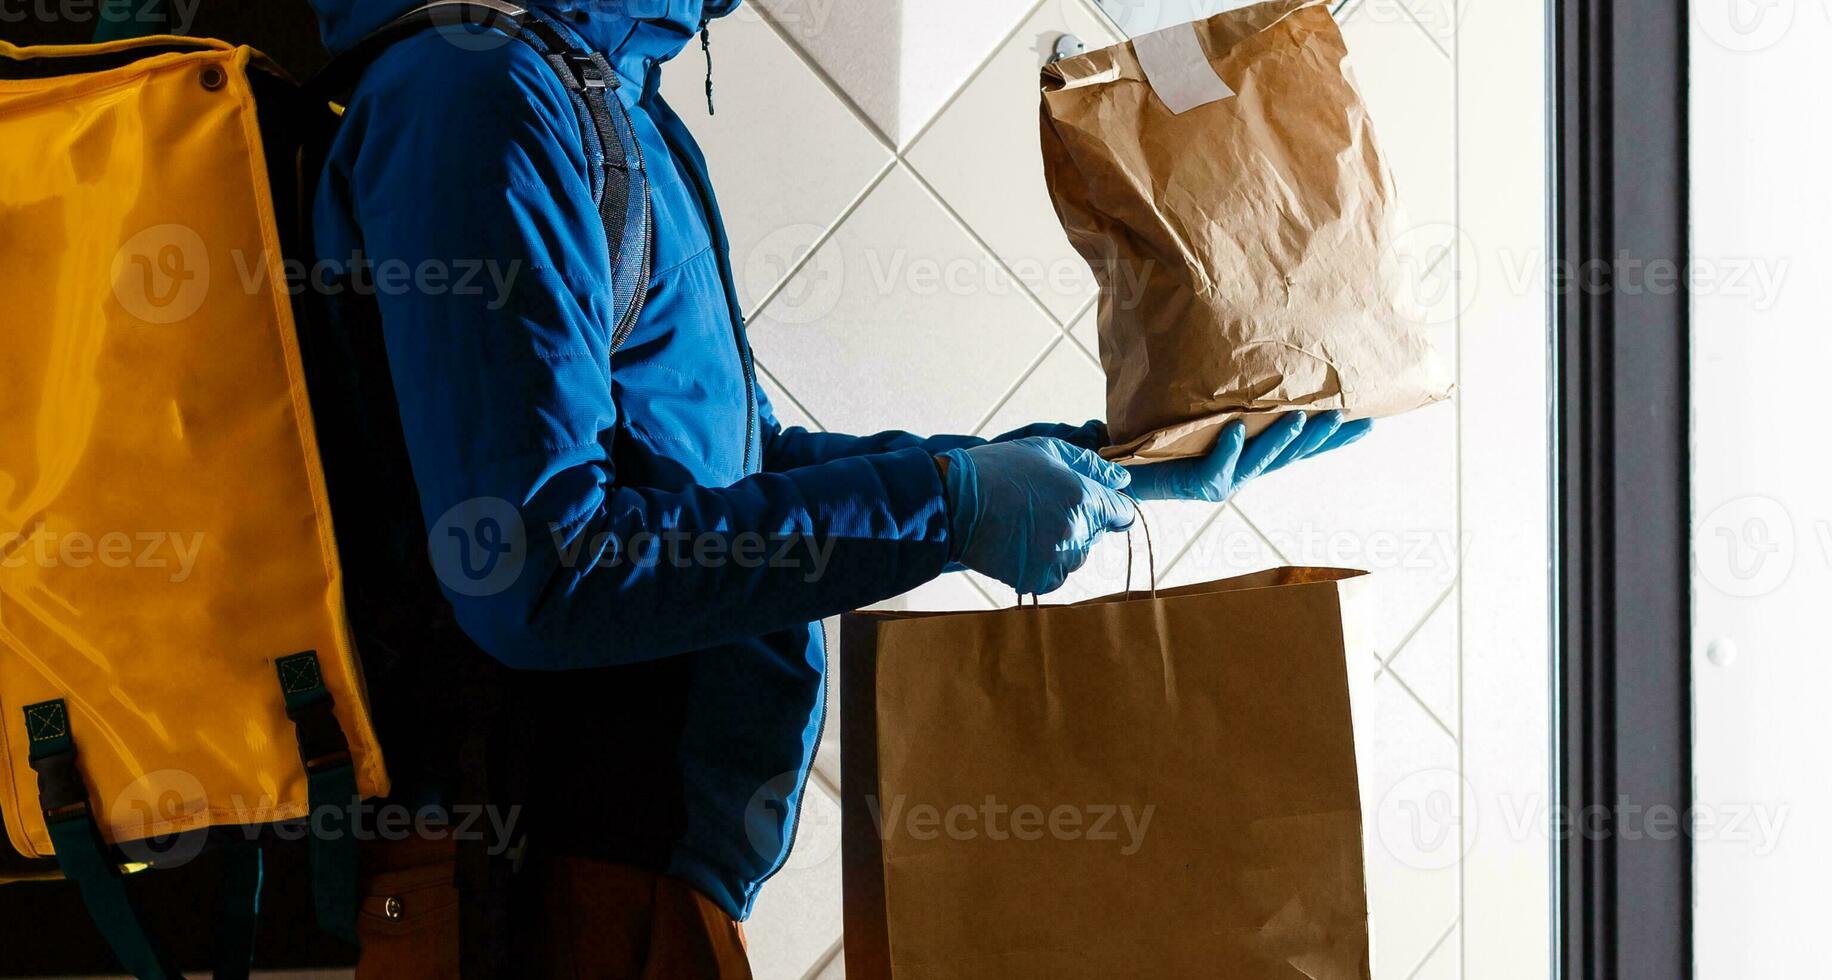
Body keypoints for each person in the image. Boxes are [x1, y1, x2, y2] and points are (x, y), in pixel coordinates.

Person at [303, 0, 1371, 974]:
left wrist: (1101, 466)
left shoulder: (609, 97)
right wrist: (948, 506)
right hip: (540, 887)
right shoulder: (476, 96)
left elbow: (739, 464)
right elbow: (544, 572)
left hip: (640, 885)